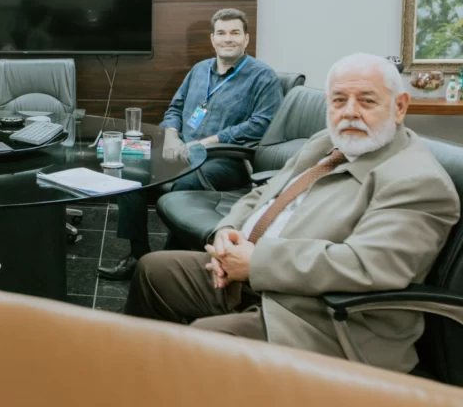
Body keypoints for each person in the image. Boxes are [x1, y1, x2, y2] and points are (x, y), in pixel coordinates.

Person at [124, 53, 460, 373]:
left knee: (203, 341)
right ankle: (140, 379)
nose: (350, 112)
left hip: (318, 318)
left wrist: (256, 263)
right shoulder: (326, 143)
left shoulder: (416, 181)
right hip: (260, 280)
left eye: (367, 101)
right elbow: (264, 193)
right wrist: (227, 232)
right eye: (339, 100)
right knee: (153, 271)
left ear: (399, 106)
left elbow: (367, 264)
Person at [100, 8, 283, 281]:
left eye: (235, 33)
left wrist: (206, 143)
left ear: (246, 39)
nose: (228, 39)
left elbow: (262, 123)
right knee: (129, 170)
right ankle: (138, 255)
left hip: (224, 159)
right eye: (221, 33)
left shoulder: (263, 77)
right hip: (181, 151)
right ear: (213, 39)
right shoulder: (199, 70)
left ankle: (165, 264)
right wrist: (172, 136)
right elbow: (175, 108)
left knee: (184, 185)